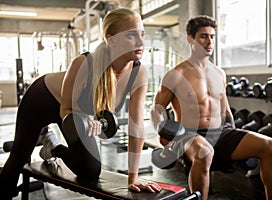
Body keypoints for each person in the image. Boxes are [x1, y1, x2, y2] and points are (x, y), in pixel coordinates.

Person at [0, 8, 161, 199]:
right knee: (18, 158)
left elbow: (137, 126)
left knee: (90, 171)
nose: (141, 42)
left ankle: (52, 146)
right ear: (112, 39)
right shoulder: (85, 63)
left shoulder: (138, 73)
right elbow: (66, 109)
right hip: (42, 99)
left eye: (142, 34)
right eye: (131, 36)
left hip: (73, 112)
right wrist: (83, 119)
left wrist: (133, 178)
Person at [151, 15, 272, 200]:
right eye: (203, 36)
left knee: (270, 145)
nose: (209, 41)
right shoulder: (176, 74)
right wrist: (166, 138)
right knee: (204, 151)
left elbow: (226, 110)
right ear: (190, 39)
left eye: (212, 36)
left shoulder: (219, 73)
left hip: (221, 131)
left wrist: (235, 137)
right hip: (189, 134)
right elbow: (157, 111)